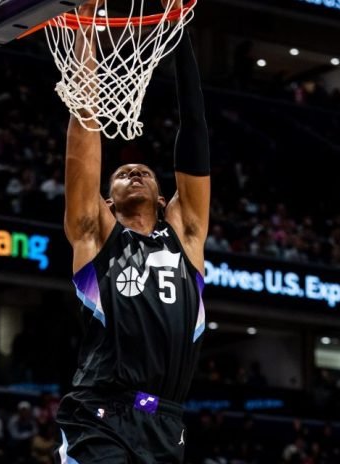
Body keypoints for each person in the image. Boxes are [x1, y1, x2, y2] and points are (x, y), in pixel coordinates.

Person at [55, 0, 211, 460]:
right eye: (123, 174)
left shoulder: (187, 235)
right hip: (101, 413)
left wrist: (180, 31)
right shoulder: (94, 233)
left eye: (144, 172)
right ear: (107, 202)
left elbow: (195, 130)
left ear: (164, 200)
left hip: (166, 422)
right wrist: (85, 31)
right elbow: (85, 129)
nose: (135, 172)